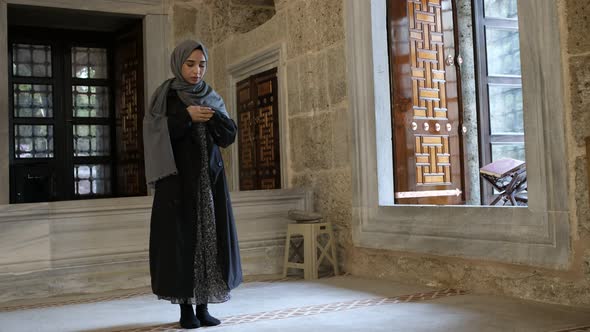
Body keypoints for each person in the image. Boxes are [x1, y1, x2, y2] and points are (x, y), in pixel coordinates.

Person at [143, 40, 242, 329]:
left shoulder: (210, 96)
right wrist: (185, 117)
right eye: (190, 64)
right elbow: (152, 133)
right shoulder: (165, 97)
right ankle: (185, 310)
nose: (197, 71)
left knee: (208, 243)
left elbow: (227, 137)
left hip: (208, 183)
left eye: (202, 64)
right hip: (176, 183)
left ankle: (203, 306)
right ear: (178, 64)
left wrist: (214, 119)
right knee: (181, 243)